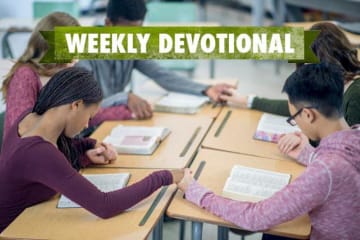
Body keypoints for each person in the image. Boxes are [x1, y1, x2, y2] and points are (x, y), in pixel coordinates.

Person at [177, 63, 360, 240]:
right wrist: (310, 155)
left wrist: (197, 192)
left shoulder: (325, 170)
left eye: (293, 117)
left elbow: (256, 217)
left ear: (308, 115)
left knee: (273, 229)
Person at [0, 67, 184, 232]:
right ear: (76, 105)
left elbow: (54, 157)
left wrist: (87, 147)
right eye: (89, 116)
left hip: (31, 221)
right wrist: (164, 177)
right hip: (16, 231)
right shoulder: (39, 153)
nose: (87, 124)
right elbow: (104, 205)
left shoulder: (30, 118)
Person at [76, 0, 235, 120]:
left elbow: (161, 75)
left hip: (112, 122)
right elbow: (84, 107)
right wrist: (125, 97)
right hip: (86, 128)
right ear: (108, 24)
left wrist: (206, 89)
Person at [1, 12, 132, 142]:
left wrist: (86, 151)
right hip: (31, 160)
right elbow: (22, 137)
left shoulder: (62, 75)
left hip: (53, 155)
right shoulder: (25, 76)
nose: (76, 59)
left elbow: (83, 116)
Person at [220, 22, 360, 126]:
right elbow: (299, 106)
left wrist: (308, 144)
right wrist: (246, 100)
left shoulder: (354, 97)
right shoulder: (333, 84)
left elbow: (351, 153)